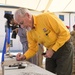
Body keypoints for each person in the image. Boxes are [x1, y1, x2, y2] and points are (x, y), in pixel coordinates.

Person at [14, 8, 73, 75]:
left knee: (63, 73)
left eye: (22, 23)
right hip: (50, 50)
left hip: (64, 47)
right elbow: (33, 49)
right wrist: (24, 56)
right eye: (19, 25)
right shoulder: (29, 32)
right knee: (48, 72)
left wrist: (53, 49)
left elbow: (65, 34)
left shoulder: (46, 17)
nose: (22, 26)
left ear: (28, 15)